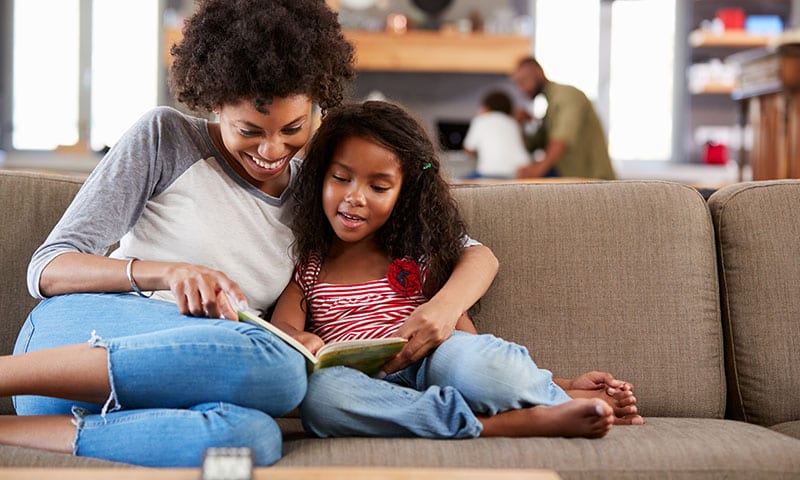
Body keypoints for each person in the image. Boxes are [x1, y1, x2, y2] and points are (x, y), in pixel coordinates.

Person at [1, 0, 498, 468]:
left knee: (253, 439)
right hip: (67, 349)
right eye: (250, 130)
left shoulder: (322, 195)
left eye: (293, 129)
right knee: (279, 368)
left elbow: (471, 255)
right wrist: (168, 273)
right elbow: (47, 267)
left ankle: (15, 434)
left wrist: (442, 308)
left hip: (186, 379)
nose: (272, 149)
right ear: (214, 100)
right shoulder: (166, 138)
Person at [269, 100, 644, 441]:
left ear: (404, 194)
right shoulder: (310, 267)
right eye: (341, 178)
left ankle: (556, 395)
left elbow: (467, 344)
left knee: (480, 367)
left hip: (433, 363)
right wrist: (300, 339)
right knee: (322, 399)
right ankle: (504, 423)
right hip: (365, 385)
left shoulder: (414, 255)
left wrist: (560, 379)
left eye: (379, 186)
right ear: (320, 177)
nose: (355, 196)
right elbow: (284, 326)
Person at [511, 56, 616, 180]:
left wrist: (537, 170)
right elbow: (533, 145)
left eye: (523, 81)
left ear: (538, 71)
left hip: (595, 182)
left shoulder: (567, 95)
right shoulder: (550, 107)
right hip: (576, 181)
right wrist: (520, 124)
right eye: (518, 84)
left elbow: (562, 138)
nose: (522, 89)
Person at [462, 89, 530, 179]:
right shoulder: (513, 122)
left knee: (458, 182)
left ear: (486, 108)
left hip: (490, 172)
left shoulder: (480, 120)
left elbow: (468, 150)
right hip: (519, 172)